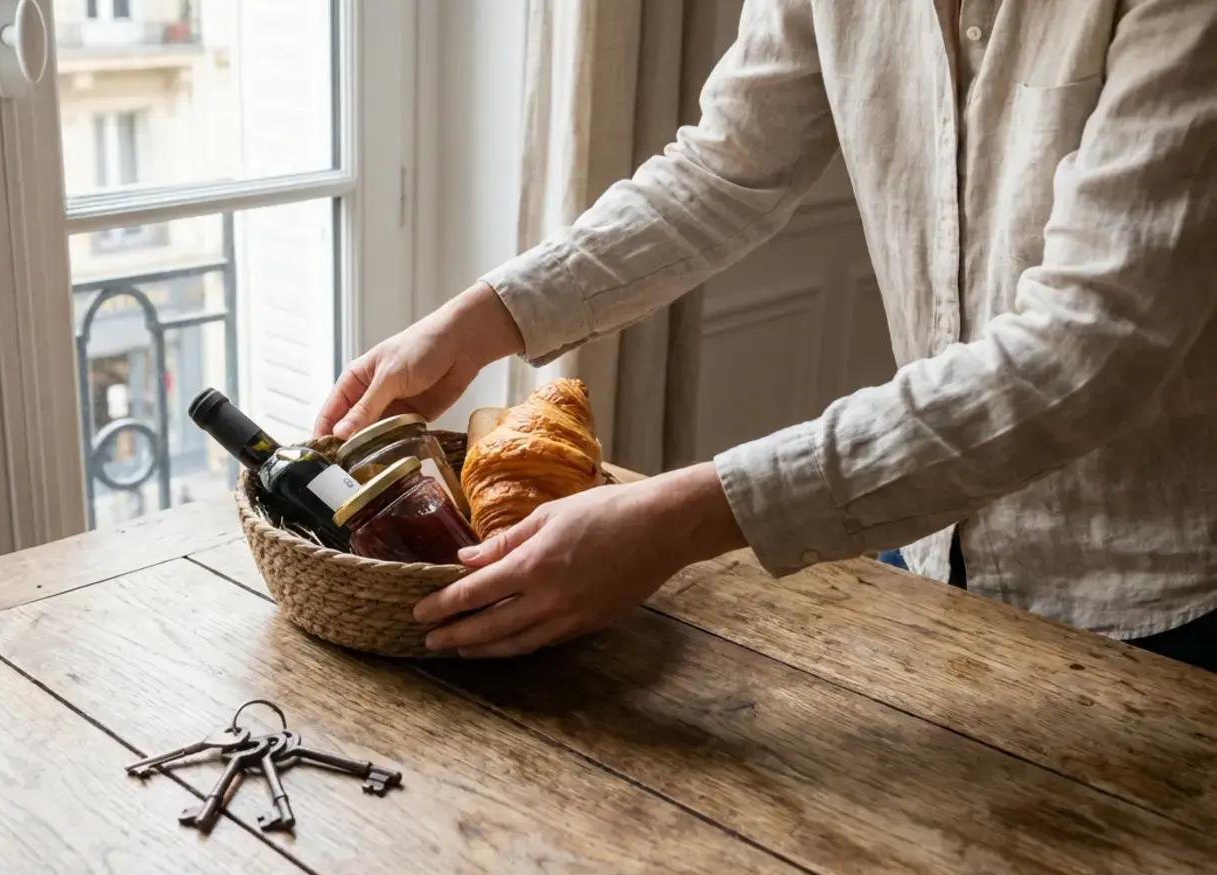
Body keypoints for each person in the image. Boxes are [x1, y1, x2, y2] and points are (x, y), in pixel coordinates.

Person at [314, 1, 1217, 669]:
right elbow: (726, 168)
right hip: (932, 548)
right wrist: (475, 323)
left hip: (1159, 595)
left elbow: (1087, 347)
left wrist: (679, 521)